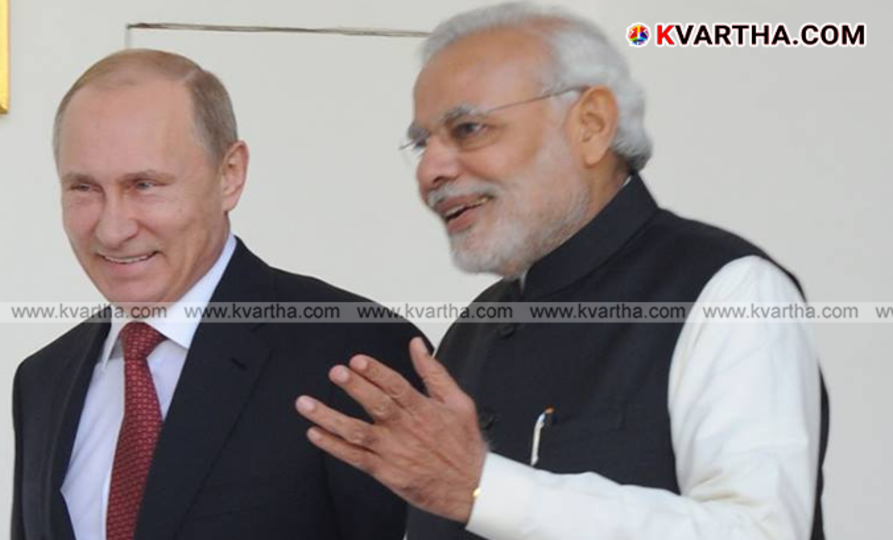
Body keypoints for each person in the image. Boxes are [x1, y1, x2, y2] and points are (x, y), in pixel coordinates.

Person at [295, 3, 828, 540]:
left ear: (591, 126)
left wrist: (481, 487)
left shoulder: (728, 290)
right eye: (422, 143)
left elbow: (758, 531)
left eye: (469, 128)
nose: (431, 171)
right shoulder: (473, 329)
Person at [11, 49, 421, 540]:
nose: (113, 228)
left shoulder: (354, 355)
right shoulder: (42, 380)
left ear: (230, 176)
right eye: (83, 188)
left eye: (144, 185)